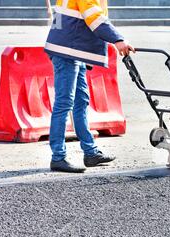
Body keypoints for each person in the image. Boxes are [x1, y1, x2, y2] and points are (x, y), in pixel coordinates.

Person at [44, 0, 134, 173]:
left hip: (73, 49)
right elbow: (94, 18)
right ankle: (58, 157)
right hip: (67, 50)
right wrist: (118, 39)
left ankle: (90, 153)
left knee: (81, 101)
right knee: (64, 103)